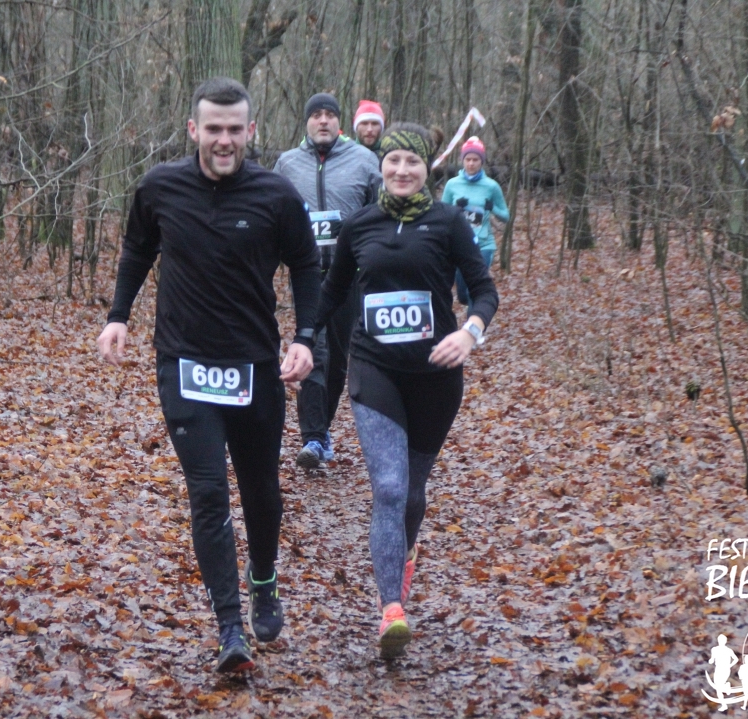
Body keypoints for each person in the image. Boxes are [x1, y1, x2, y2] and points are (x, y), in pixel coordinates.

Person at [96, 77, 320, 673]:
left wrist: (305, 338)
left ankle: (263, 578)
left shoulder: (276, 195)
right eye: (213, 128)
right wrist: (118, 316)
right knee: (208, 492)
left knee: (261, 491)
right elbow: (137, 249)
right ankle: (229, 629)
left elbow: (306, 264)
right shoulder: (159, 187)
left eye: (234, 129)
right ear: (194, 129)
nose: (224, 140)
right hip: (184, 362)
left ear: (251, 131)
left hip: (254, 365)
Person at [315, 123, 498, 658]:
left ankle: (404, 551)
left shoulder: (447, 223)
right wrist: (302, 340)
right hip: (374, 369)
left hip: (435, 378)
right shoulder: (359, 225)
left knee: (413, 494)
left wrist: (469, 333)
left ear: (427, 169)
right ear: (381, 167)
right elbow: (331, 292)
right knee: (390, 489)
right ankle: (391, 608)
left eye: (411, 162)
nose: (401, 170)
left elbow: (483, 290)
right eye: (393, 160)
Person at [274, 93, 380, 470]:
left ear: (340, 122)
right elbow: (273, 214)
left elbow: (379, 214)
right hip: (306, 276)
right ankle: (314, 438)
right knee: (313, 351)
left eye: (329, 115)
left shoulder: (364, 161)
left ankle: (322, 430)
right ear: (306, 122)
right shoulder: (287, 164)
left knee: (336, 361)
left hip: (348, 276)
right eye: (316, 114)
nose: (323, 121)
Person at [441, 137, 508, 307]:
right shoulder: (452, 185)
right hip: (459, 246)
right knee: (463, 295)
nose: (471, 163)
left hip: (484, 245)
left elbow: (506, 216)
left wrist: (492, 208)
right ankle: (466, 299)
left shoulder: (491, 186)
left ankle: (474, 324)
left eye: (475, 160)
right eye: (468, 159)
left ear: (482, 161)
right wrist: (456, 208)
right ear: (462, 160)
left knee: (474, 291)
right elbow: (441, 215)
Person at [708, 634, 739, 711]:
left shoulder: (727, 650)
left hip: (723, 668)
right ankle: (726, 688)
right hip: (720, 668)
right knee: (718, 688)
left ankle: (724, 701)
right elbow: (712, 659)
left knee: (718, 688)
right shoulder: (715, 649)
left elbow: (736, 659)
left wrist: (730, 665)